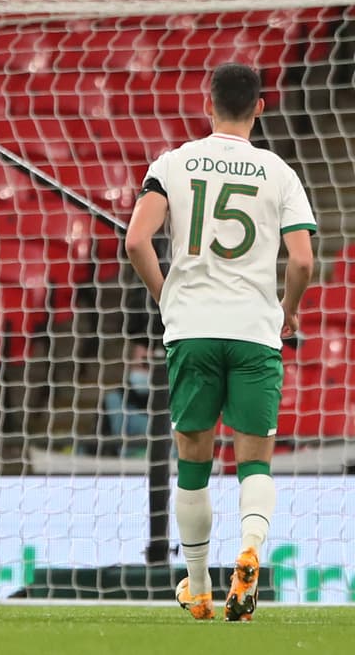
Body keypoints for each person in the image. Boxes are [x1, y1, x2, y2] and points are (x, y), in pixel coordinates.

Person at [125, 63, 315, 622]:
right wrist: (288, 313)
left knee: (193, 462)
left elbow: (137, 239)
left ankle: (200, 586)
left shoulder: (173, 163)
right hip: (255, 331)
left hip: (194, 328)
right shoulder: (278, 171)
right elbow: (302, 259)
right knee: (254, 460)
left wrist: (166, 297)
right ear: (260, 107)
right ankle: (250, 553)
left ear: (208, 103)